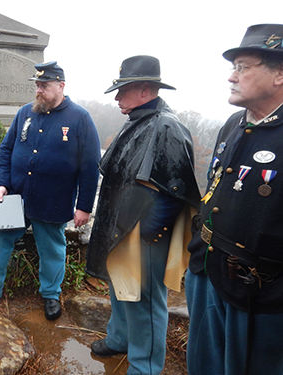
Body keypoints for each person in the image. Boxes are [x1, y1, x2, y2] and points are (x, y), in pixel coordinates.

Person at [85, 55, 200, 374]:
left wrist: (147, 235)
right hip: (123, 228)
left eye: (123, 90)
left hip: (145, 236)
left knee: (145, 301)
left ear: (145, 90)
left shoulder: (167, 126)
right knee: (119, 286)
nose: (117, 97)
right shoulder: (138, 119)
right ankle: (119, 338)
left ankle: (144, 367)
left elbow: (176, 190)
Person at [0, 61, 101, 320]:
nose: (39, 91)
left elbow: (90, 166)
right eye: (37, 85)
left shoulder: (80, 118)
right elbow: (5, 151)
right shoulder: (26, 112)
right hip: (15, 196)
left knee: (52, 249)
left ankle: (50, 294)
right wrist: (1, 183)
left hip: (53, 200)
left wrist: (84, 206)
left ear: (61, 85)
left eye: (44, 86)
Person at [186, 24, 283, 375]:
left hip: (260, 292)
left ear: (279, 75)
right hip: (206, 269)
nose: (231, 76)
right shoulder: (232, 123)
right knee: (203, 363)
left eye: (243, 66)